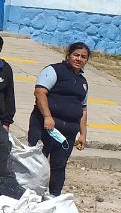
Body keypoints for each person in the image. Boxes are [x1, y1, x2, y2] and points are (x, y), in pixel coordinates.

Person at [30, 42, 90, 196]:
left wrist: (83, 134)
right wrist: (48, 117)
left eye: (83, 57)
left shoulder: (83, 82)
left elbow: (83, 108)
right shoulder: (54, 70)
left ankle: (54, 197)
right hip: (45, 127)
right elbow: (40, 92)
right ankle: (32, 196)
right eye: (76, 55)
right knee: (38, 163)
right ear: (68, 55)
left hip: (68, 133)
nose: (79, 59)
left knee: (59, 166)